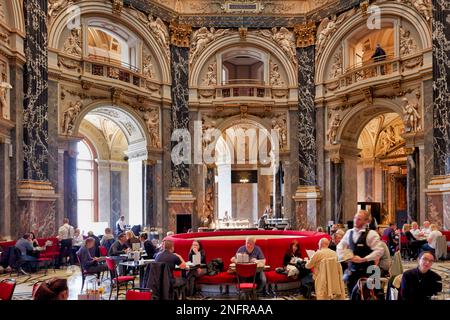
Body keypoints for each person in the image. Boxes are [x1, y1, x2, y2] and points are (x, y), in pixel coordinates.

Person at [336, 210, 384, 297]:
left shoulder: (371, 234)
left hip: (367, 272)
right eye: (355, 218)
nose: (356, 220)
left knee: (365, 296)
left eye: (359, 219)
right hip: (352, 272)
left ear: (366, 221)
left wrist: (364, 259)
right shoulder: (349, 233)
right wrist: (348, 257)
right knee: (352, 296)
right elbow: (339, 247)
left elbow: (379, 251)